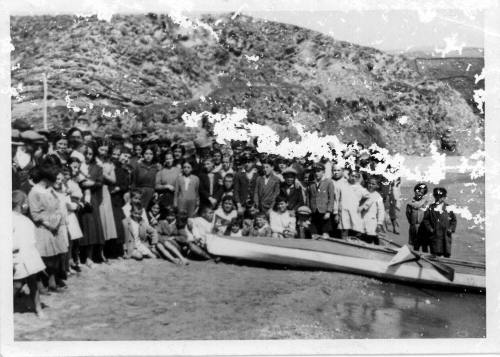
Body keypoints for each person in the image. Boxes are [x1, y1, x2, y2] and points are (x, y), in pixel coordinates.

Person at [27, 165, 67, 291]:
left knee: (55, 257)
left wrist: (57, 220)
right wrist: (49, 225)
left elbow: (58, 204)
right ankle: (39, 283)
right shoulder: (34, 192)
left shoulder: (49, 190)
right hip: (43, 228)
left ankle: (52, 281)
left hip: (54, 226)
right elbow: (35, 214)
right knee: (43, 257)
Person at [12, 190, 46, 318]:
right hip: (18, 256)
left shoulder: (26, 219)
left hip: (30, 254)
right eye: (26, 202)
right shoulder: (10, 218)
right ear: (20, 204)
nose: (27, 205)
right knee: (18, 284)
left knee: (33, 282)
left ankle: (38, 308)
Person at [78, 144, 106, 267]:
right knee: (79, 226)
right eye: (85, 153)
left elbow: (100, 183)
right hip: (78, 197)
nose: (88, 156)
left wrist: (91, 183)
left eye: (90, 154)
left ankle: (89, 257)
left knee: (91, 227)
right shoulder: (76, 165)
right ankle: (78, 257)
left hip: (92, 199)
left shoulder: (97, 167)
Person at [96, 141, 118, 257]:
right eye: (101, 149)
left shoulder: (109, 163)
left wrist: (104, 174)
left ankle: (104, 251)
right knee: (98, 218)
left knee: (106, 219)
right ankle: (97, 252)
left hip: (105, 191)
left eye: (106, 150)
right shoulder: (94, 160)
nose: (103, 152)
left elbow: (114, 180)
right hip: (95, 190)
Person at [421, 187, 457, 258]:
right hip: (435, 235)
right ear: (434, 196)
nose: (439, 199)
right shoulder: (430, 208)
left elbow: (453, 220)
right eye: (437, 197)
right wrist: (430, 229)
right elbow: (426, 219)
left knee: (446, 253)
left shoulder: (448, 207)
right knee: (436, 253)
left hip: (446, 235)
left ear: (444, 197)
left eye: (441, 197)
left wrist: (451, 228)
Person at [336, 170, 370, 238]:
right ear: (349, 176)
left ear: (358, 178)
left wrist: (362, 206)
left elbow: (369, 198)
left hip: (354, 211)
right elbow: (337, 198)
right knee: (344, 227)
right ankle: (343, 241)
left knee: (355, 228)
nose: (353, 178)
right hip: (343, 210)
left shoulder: (360, 188)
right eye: (352, 176)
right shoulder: (342, 185)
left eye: (356, 176)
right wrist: (336, 211)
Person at [306, 163, 335, 236]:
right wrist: (308, 210)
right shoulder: (311, 183)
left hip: (324, 211)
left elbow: (331, 198)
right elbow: (308, 198)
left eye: (319, 171)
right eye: (315, 171)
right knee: (314, 233)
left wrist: (328, 211)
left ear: (323, 172)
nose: (316, 173)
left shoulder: (328, 182)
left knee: (325, 233)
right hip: (313, 211)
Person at [358, 177, 385, 245]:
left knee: (369, 240)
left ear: (377, 186)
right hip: (360, 220)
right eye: (369, 183)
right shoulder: (362, 192)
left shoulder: (378, 196)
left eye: (373, 184)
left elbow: (381, 211)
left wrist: (379, 223)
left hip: (371, 222)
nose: (370, 185)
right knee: (359, 239)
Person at [406, 183, 432, 252]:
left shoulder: (426, 202)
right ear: (415, 191)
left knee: (424, 244)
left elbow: (428, 215)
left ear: (424, 194)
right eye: (418, 191)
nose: (419, 193)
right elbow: (408, 214)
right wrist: (412, 222)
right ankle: (416, 256)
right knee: (415, 244)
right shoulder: (410, 203)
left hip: (423, 227)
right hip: (414, 226)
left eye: (422, 192)